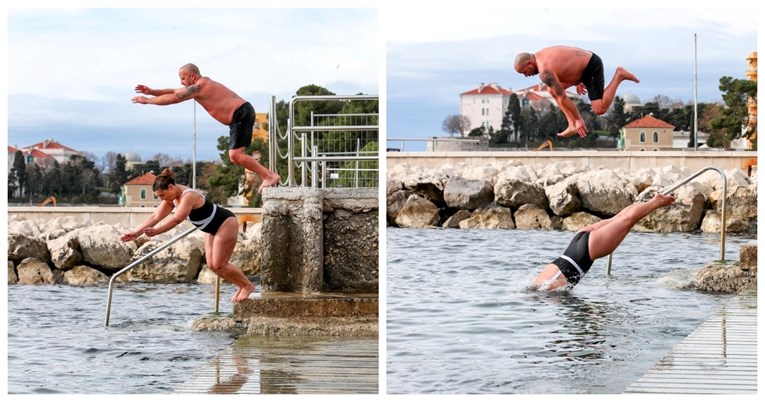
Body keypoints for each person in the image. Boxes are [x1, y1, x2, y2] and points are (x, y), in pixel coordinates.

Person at [132, 63, 280, 193]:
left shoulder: (200, 86)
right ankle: (268, 175)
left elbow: (174, 98)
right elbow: (174, 91)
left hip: (240, 113)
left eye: (183, 78)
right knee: (236, 155)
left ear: (192, 76)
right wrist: (152, 91)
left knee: (235, 155)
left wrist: (148, 101)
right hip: (241, 113)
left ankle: (269, 176)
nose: (181, 82)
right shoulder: (198, 86)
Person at [119, 169, 256, 302]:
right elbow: (155, 216)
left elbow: (177, 219)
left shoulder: (188, 196)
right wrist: (136, 232)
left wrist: (157, 231)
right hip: (209, 229)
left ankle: (247, 285)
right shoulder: (170, 198)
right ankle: (241, 285)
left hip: (225, 224)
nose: (161, 199)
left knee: (220, 264)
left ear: (171, 187)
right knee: (212, 265)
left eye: (162, 195)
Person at [535, 193, 675, 291]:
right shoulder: (539, 282)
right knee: (620, 218)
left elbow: (562, 293)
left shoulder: (548, 288)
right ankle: (651, 202)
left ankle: (657, 201)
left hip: (587, 251)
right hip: (578, 240)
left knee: (628, 221)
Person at [514, 45, 640, 138]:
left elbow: (562, 97)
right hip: (581, 66)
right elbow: (567, 58)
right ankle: (571, 124)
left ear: (530, 63)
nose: (526, 76)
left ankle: (619, 75)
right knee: (551, 91)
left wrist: (579, 119)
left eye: (524, 72)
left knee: (599, 109)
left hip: (591, 66)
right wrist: (576, 80)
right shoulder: (541, 54)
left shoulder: (545, 72)